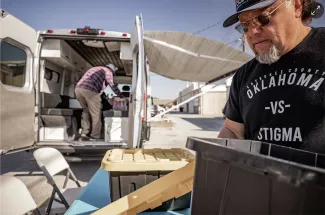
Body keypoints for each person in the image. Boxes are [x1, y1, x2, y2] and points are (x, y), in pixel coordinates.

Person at [219, 0, 325, 154]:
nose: (252, 32)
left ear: (296, 6)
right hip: (259, 176)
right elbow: (233, 131)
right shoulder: (243, 76)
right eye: (245, 26)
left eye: (263, 18)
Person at [75, 63, 123, 141]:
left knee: (85, 111)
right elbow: (111, 84)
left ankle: (84, 133)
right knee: (96, 114)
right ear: (112, 70)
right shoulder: (107, 71)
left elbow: (103, 89)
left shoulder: (94, 69)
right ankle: (95, 136)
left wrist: (108, 98)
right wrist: (120, 96)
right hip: (90, 91)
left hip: (78, 89)